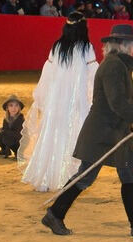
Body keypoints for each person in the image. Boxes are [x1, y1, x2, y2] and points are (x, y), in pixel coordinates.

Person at [41, 23, 133, 238]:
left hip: (115, 131)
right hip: (102, 133)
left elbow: (115, 100)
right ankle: (54, 214)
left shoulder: (117, 65)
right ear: (124, 45)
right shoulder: (113, 66)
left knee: (129, 173)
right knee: (86, 176)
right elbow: (115, 103)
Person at [19, 11, 97, 192]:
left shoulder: (57, 47)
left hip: (56, 101)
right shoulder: (86, 47)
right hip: (75, 101)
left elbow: (47, 75)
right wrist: (93, 97)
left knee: (51, 135)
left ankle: (45, 179)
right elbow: (92, 75)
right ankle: (68, 178)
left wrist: (44, 97)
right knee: (74, 134)